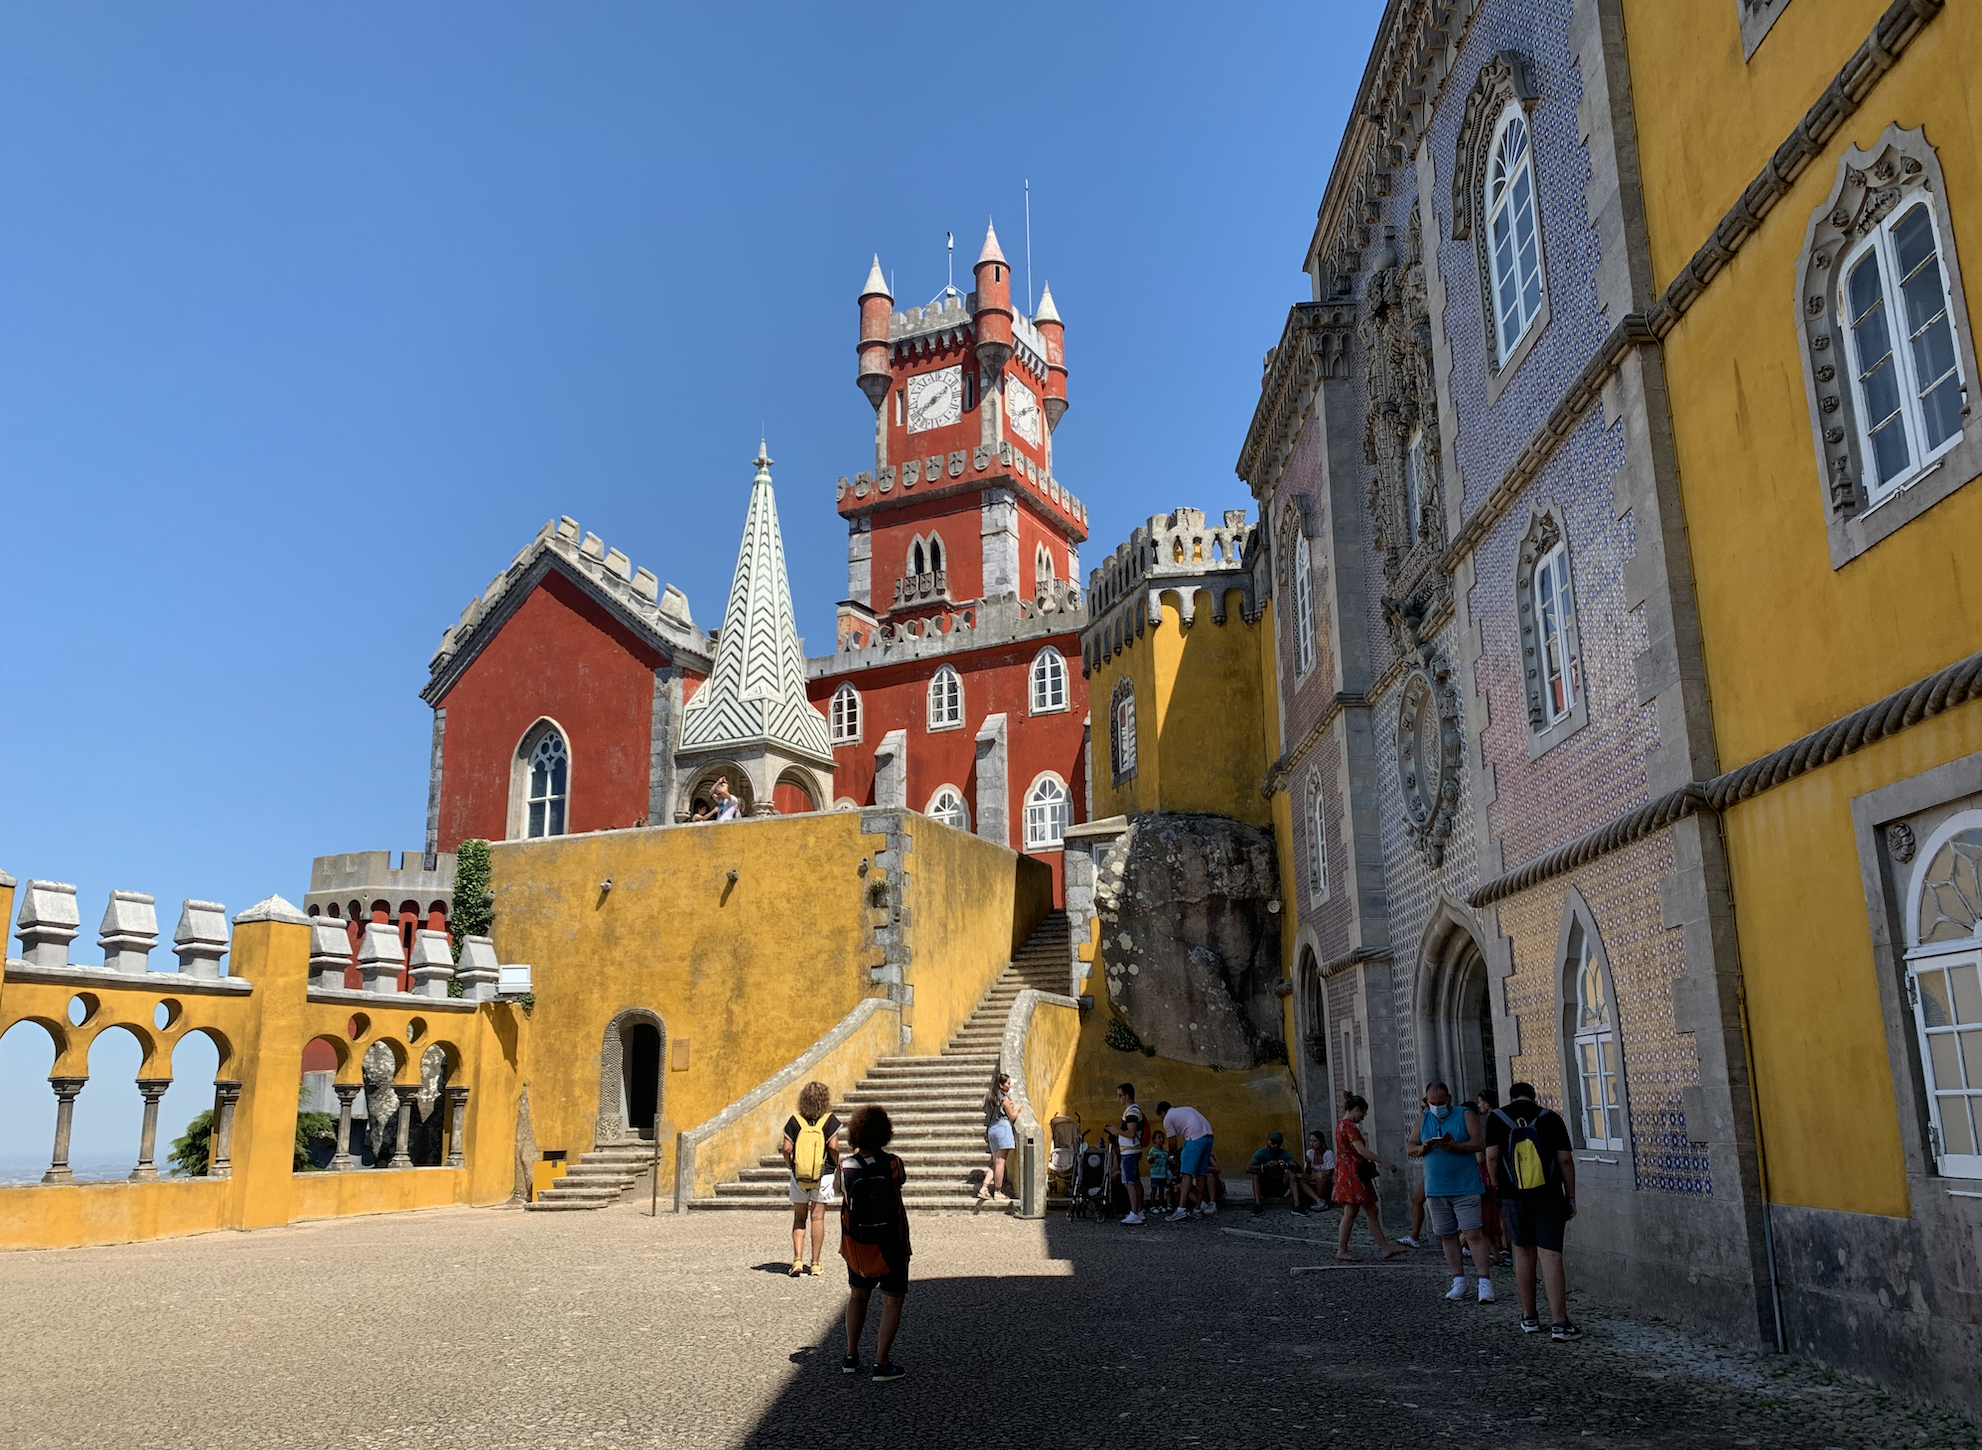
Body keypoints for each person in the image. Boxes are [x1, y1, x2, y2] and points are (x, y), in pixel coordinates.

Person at [1485, 1082, 1579, 1340]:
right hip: (1548, 1196)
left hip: (1512, 1197)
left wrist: (1496, 1185)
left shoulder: (1496, 1118)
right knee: (1550, 1256)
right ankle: (1560, 1323)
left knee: (1523, 1252)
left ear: (1511, 1097)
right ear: (1534, 1097)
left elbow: (1491, 1156)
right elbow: (1566, 1160)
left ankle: (1529, 1318)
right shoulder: (1551, 1118)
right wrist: (1570, 1196)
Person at [838, 1104, 911, 1379]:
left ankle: (851, 1354)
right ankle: (881, 1361)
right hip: (891, 1243)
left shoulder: (845, 1168)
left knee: (858, 1296)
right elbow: (900, 1181)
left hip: (857, 1245)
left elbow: (838, 1192)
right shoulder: (893, 1164)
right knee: (892, 1302)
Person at [1410, 1080, 1495, 1303]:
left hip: (1465, 1186)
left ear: (1449, 1098)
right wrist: (1422, 1148)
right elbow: (1410, 1146)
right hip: (1436, 1188)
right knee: (1447, 1236)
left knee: (1473, 1233)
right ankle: (1458, 1280)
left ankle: (1484, 1282)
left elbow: (1479, 1143)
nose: (1437, 1106)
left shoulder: (1465, 1115)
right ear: (1426, 1101)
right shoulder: (1423, 1119)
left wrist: (1455, 1147)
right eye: (1432, 1103)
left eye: (1441, 1102)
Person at [1332, 1093, 1406, 1260]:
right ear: (1356, 1109)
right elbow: (1362, 1151)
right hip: (1354, 1174)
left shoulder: (1340, 1126)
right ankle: (1342, 1250)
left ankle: (1385, 1247)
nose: (1363, 1117)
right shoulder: (1350, 1127)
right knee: (1353, 1212)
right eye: (1363, 1113)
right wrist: (1385, 1162)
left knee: (1370, 1210)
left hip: (1349, 1172)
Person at [780, 1080, 841, 1278]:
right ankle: (815, 1263)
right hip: (823, 1174)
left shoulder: (794, 1120)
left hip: (800, 1175)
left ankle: (797, 1260)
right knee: (818, 1217)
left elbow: (787, 1149)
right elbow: (833, 1146)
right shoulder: (829, 1120)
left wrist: (791, 1165)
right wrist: (835, 1163)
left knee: (799, 1218)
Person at [1157, 1102, 1215, 1220]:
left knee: (1186, 1174)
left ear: (1162, 1113)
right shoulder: (1184, 1110)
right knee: (1201, 1174)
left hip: (1194, 1138)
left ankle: (1181, 1209)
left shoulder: (1168, 1118)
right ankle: (1197, 1209)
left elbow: (1172, 1142)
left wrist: (1171, 1155)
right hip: (1208, 1136)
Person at [1474, 1087, 1511, 1266]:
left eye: (1480, 1102)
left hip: (1494, 1173)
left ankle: (1504, 1248)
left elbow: (1489, 1154)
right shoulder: (1503, 1117)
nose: (1479, 1105)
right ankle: (1504, 1246)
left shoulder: (1492, 1120)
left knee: (1497, 1212)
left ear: (1487, 1103)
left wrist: (1492, 1177)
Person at [1248, 1130, 1313, 1215]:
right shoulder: (1260, 1153)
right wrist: (1264, 1167)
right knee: (1255, 1173)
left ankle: (1297, 1206)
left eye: (1278, 1143)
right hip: (1265, 1187)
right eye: (1273, 1142)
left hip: (1280, 1187)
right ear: (1268, 1141)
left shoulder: (1284, 1153)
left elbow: (1298, 1168)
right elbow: (1248, 1168)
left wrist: (1287, 1165)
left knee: (1291, 1173)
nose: (1275, 1145)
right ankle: (1258, 1205)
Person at [977, 1072, 1019, 1203]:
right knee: (1001, 1162)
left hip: (992, 1129)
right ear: (1001, 1085)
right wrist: (1017, 1109)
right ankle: (998, 1191)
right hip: (1002, 1128)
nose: (1010, 1085)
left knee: (996, 1163)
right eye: (1008, 1083)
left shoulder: (989, 1098)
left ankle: (984, 1187)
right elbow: (1012, 1117)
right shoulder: (1004, 1099)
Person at [1114, 1083, 1147, 1225]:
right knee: (1136, 1181)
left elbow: (1131, 1133)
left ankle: (1134, 1212)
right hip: (1133, 1151)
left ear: (1127, 1096)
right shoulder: (1133, 1110)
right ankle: (1139, 1210)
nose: (1119, 1099)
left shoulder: (1132, 1112)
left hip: (1129, 1151)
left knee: (1129, 1182)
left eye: (1120, 1095)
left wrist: (1117, 1131)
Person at [1303, 1129, 1336, 1209]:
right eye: (1310, 1141)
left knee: (1320, 1176)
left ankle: (1320, 1201)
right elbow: (1307, 1171)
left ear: (1320, 1142)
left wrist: (1316, 1176)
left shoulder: (1328, 1153)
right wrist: (1309, 1163)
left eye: (1314, 1141)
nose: (1312, 1143)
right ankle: (1317, 1200)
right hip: (1313, 1179)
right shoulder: (1310, 1152)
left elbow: (1329, 1172)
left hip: (1327, 1182)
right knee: (1301, 1177)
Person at [1146, 1137, 1173, 1212]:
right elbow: (1149, 1160)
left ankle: (1161, 1205)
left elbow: (1167, 1161)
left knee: (1162, 1190)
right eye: (1159, 1138)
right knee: (1154, 1190)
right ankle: (1152, 1205)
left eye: (1162, 1138)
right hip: (1155, 1174)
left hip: (1163, 1174)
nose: (1161, 1139)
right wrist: (1152, 1157)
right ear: (1154, 1140)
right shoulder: (1152, 1150)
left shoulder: (1165, 1151)